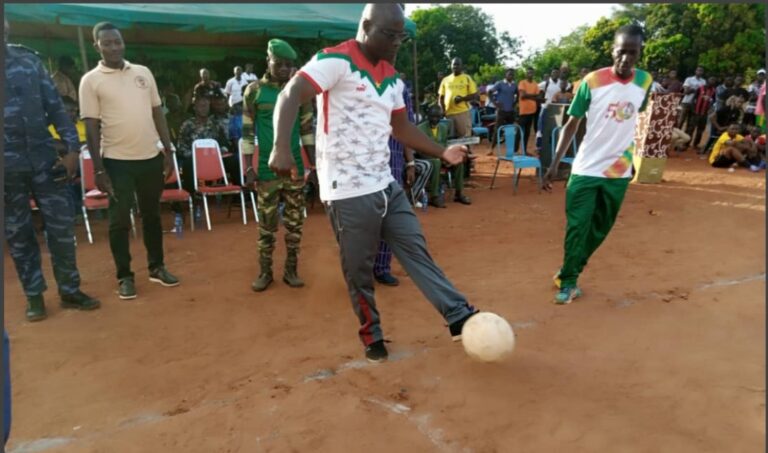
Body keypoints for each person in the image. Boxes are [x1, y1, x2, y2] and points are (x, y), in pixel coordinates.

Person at [270, 3, 479, 362]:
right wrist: (280, 148)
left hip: (385, 185)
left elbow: (402, 127)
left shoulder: (392, 78)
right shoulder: (335, 61)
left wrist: (442, 151)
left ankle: (457, 314)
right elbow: (290, 94)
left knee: (415, 248)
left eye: (401, 36)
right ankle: (372, 334)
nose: (396, 42)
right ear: (366, 26)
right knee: (359, 271)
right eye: (389, 34)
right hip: (347, 191)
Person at [544, 24, 653, 305]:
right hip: (586, 168)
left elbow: (634, 120)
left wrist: (632, 160)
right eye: (621, 51)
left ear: (640, 53)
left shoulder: (645, 82)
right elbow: (572, 124)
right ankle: (569, 281)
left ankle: (568, 270)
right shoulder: (592, 81)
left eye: (633, 52)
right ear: (612, 50)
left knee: (600, 228)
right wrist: (554, 163)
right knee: (577, 226)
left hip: (618, 171)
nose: (626, 58)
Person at [5, 20, 101, 321]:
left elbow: (56, 108)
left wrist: (72, 150)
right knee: (19, 233)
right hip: (7, 169)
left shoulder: (29, 62)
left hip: (47, 162)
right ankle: (34, 296)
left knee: (61, 228)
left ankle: (70, 290)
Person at [80, 22, 180, 300]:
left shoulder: (143, 73)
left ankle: (157, 267)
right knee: (120, 220)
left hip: (150, 158)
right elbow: (91, 126)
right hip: (116, 162)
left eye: (118, 42)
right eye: (107, 43)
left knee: (152, 215)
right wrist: (98, 169)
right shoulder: (91, 80)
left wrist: (168, 151)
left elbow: (158, 113)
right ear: (97, 46)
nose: (114, 47)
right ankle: (124, 276)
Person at [243, 39, 315, 292]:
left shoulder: (300, 91)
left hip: (295, 169)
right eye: (279, 63)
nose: (284, 68)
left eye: (288, 64)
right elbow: (247, 132)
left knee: (295, 224)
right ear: (268, 61)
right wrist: (248, 168)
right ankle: (265, 273)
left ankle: (291, 271)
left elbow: (307, 131)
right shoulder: (254, 91)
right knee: (266, 225)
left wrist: (314, 166)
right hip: (266, 170)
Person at [374, 66, 418, 286]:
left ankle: (382, 267)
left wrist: (410, 162)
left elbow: (406, 128)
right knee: (364, 215)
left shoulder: (399, 89)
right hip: (362, 163)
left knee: (389, 213)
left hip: (393, 159)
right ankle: (360, 269)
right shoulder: (355, 83)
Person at [417, 104, 471, 208]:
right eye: (432, 116)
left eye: (437, 117)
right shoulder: (420, 128)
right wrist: (440, 157)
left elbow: (445, 146)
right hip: (426, 157)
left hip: (441, 156)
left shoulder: (443, 127)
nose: (435, 119)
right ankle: (434, 196)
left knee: (458, 161)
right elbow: (419, 150)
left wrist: (447, 158)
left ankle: (459, 193)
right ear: (428, 116)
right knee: (436, 162)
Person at [176, 96, 229, 195]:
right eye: (201, 106)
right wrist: (195, 155)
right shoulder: (187, 125)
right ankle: (192, 195)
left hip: (215, 159)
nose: (204, 109)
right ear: (195, 108)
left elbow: (224, 143)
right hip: (195, 159)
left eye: (206, 106)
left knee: (235, 161)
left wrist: (222, 150)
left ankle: (243, 193)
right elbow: (181, 147)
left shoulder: (215, 124)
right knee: (188, 165)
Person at [438, 57, 478, 139]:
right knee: (450, 139)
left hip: (462, 113)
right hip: (449, 114)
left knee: (465, 138)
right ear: (451, 66)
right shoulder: (445, 80)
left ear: (461, 66)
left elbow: (474, 95)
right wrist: (442, 110)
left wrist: (462, 99)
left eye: (457, 64)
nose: (455, 66)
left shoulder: (467, 78)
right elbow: (441, 97)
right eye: (454, 64)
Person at [488, 68, 518, 147]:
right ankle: (491, 148)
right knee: (497, 129)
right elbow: (490, 92)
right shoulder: (500, 83)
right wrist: (494, 103)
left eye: (512, 75)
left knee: (510, 130)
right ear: (506, 74)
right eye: (509, 74)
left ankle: (510, 149)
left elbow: (518, 94)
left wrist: (515, 103)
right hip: (501, 111)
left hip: (510, 111)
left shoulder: (514, 85)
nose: (511, 76)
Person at [687, 76, 717, 151]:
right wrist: (693, 109)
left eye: (714, 80)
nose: (712, 81)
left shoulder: (714, 90)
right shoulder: (700, 88)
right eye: (711, 79)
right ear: (707, 80)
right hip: (696, 112)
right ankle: (686, 144)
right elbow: (694, 98)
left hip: (704, 113)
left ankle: (696, 144)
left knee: (700, 130)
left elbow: (713, 101)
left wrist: (710, 104)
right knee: (691, 129)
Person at [517, 67, 540, 154]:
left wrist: (528, 95)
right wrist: (533, 96)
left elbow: (538, 96)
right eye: (528, 73)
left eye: (531, 73)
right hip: (523, 111)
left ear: (533, 74)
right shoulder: (522, 83)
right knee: (519, 131)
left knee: (527, 133)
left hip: (532, 111)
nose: (530, 74)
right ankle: (515, 150)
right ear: (526, 74)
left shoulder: (535, 84)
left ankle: (524, 150)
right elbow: (522, 96)